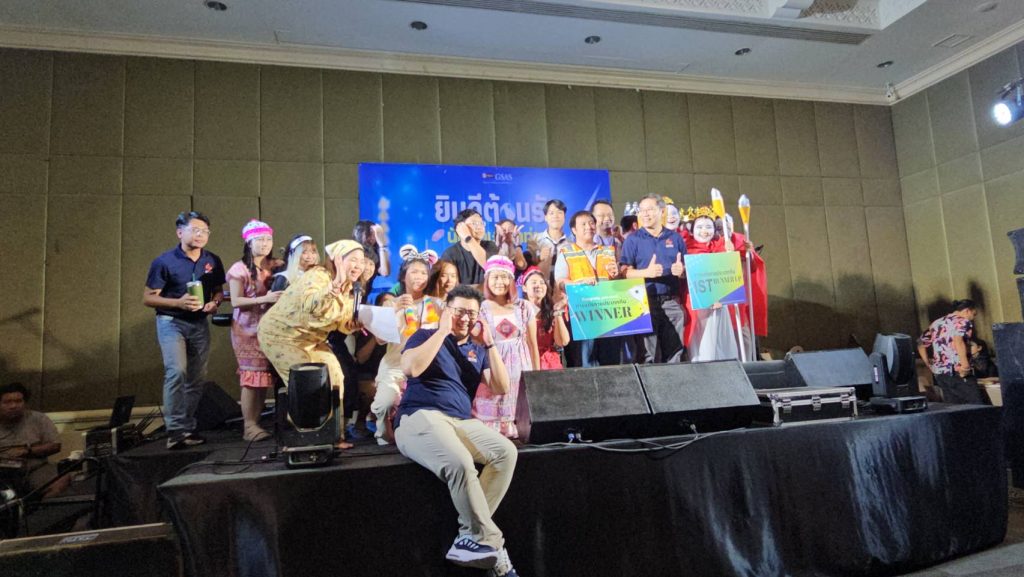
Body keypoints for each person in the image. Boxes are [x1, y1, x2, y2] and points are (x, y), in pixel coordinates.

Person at [395, 285, 519, 576]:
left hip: (461, 421)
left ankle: (470, 537)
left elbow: (501, 387)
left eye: (471, 313)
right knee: (461, 462)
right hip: (420, 415)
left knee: (505, 452)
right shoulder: (425, 336)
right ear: (446, 310)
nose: (465, 318)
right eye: (459, 311)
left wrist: (490, 345)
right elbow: (411, 369)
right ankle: (495, 547)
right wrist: (441, 331)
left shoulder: (477, 349)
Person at [257, 240, 367, 448]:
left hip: (311, 339)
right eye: (353, 260)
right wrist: (334, 286)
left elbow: (340, 322)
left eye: (361, 261)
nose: (358, 266)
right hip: (281, 335)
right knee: (305, 382)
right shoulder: (318, 275)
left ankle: (334, 436)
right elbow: (312, 306)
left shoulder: (349, 288)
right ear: (337, 260)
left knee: (335, 376)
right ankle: (305, 438)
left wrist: (354, 323)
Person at [144, 211, 225, 449]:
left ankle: (187, 428)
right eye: (195, 230)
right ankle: (175, 431)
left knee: (197, 378)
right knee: (176, 371)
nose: (201, 235)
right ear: (180, 232)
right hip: (171, 322)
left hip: (199, 323)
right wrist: (178, 303)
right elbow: (148, 298)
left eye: (205, 231)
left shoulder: (212, 260)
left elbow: (218, 290)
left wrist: (215, 303)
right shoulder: (164, 261)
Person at [370, 247, 443, 445]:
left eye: (423, 273)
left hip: (426, 366)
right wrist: (394, 309)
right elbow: (380, 340)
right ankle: (384, 433)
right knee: (384, 404)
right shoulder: (391, 303)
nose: (419, 276)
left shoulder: (437, 304)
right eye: (414, 272)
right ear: (403, 276)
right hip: (395, 365)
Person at [680, 207, 767, 362]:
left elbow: (737, 271)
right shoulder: (686, 249)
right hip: (698, 307)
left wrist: (740, 253)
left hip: (721, 306)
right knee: (703, 348)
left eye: (708, 227)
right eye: (699, 227)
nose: (704, 231)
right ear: (692, 231)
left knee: (724, 346)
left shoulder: (722, 248)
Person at [227, 220, 283, 441]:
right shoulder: (238, 269)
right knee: (251, 378)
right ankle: (249, 426)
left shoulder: (274, 266)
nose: (265, 243)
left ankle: (255, 422)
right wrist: (264, 298)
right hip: (246, 330)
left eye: (268, 239)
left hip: (269, 329)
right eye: (260, 239)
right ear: (249, 242)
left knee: (263, 378)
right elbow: (235, 301)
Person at [474, 256, 539, 439]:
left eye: (504, 277)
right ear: (487, 280)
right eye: (495, 277)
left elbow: (533, 345)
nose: (499, 282)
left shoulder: (524, 307)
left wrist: (536, 378)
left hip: (521, 371)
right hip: (494, 371)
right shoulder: (480, 309)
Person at [620, 194, 688, 364]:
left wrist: (681, 271)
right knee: (647, 356)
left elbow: (687, 270)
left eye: (649, 209)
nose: (645, 214)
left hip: (671, 302)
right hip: (644, 303)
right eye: (641, 210)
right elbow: (624, 273)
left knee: (674, 353)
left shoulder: (675, 238)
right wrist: (646, 272)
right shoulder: (632, 240)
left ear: (661, 211)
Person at [554, 210, 621, 367]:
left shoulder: (608, 251)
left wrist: (616, 275)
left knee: (611, 363)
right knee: (583, 363)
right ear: (574, 230)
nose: (588, 227)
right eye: (583, 224)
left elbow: (617, 283)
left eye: (591, 223)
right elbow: (560, 283)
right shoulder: (566, 252)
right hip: (581, 315)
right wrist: (578, 284)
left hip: (607, 315)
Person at [0, 383, 65, 499]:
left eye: (18, 401)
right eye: (7, 402)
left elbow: (55, 445)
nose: (13, 406)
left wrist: (27, 451)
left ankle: (41, 510)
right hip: (3, 473)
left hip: (35, 468)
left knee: (58, 484)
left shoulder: (39, 419)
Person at [917, 299, 984, 404]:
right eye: (974, 314)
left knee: (954, 407)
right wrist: (965, 366)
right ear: (967, 311)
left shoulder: (936, 323)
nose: (973, 318)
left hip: (940, 373)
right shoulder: (962, 321)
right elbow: (958, 341)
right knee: (976, 406)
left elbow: (921, 343)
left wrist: (927, 363)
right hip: (957, 370)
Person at [520, 267, 569, 370]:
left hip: (550, 364)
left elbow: (563, 341)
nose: (538, 285)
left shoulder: (551, 311)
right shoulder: (519, 312)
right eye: (534, 282)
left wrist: (557, 312)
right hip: (527, 362)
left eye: (542, 282)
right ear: (524, 288)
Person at [440, 209, 499, 286]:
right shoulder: (450, 254)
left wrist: (469, 239)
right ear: (460, 228)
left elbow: (491, 266)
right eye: (474, 223)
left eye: (481, 223)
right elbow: (450, 286)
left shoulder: (490, 245)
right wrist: (467, 237)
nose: (480, 227)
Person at [535, 199, 569, 280]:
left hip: (563, 286)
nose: (555, 216)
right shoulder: (535, 240)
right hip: (541, 285)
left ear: (564, 217)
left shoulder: (571, 245)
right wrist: (538, 258)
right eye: (551, 213)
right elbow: (526, 267)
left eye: (559, 212)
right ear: (545, 217)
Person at [353, 220, 391, 287]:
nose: (372, 238)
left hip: (364, 291)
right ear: (359, 233)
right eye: (369, 234)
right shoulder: (351, 250)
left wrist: (382, 245)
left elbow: (385, 272)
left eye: (375, 234)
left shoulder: (375, 254)